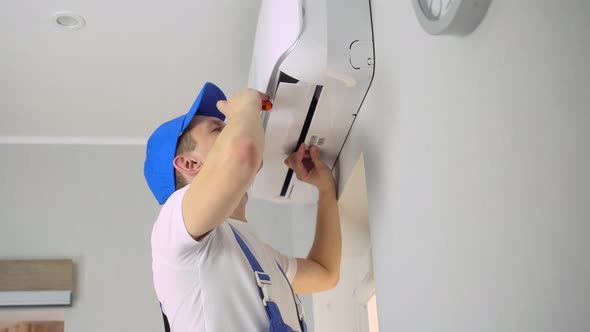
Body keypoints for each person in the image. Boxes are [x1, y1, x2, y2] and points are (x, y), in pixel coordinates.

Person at [144, 82, 341, 331]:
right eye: (219, 130)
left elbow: (325, 273)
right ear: (189, 164)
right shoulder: (172, 225)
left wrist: (325, 190)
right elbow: (243, 152)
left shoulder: (257, 253)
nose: (231, 131)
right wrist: (247, 104)